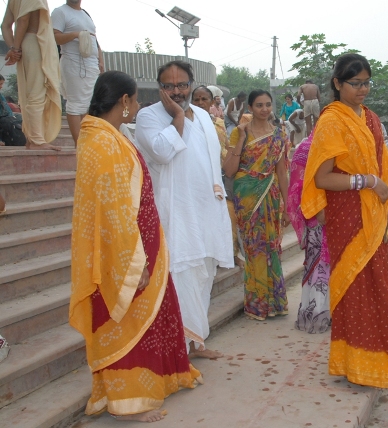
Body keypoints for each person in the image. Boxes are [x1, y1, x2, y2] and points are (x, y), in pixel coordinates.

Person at [70, 70, 202, 422]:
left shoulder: (107, 135)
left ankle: (159, 379)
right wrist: (133, 260)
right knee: (126, 321)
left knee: (151, 317)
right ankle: (128, 401)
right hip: (127, 250)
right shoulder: (101, 141)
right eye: (136, 98)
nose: (139, 104)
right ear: (124, 100)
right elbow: (113, 210)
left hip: (143, 240)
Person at [300, 53, 388, 388]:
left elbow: (383, 164)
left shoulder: (370, 118)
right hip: (348, 214)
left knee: (377, 288)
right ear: (337, 83)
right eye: (355, 83)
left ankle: (374, 362)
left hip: (374, 213)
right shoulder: (332, 121)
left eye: (366, 83)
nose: (362, 89)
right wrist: (368, 181)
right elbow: (322, 178)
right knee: (354, 288)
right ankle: (354, 364)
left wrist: (385, 206)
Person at [135, 60, 234, 358]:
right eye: (168, 86)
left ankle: (196, 342)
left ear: (191, 84)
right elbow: (162, 152)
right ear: (159, 87)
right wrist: (177, 117)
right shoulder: (148, 116)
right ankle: (178, 350)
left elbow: (212, 159)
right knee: (180, 278)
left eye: (181, 85)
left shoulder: (203, 115)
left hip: (206, 208)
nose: (176, 91)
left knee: (203, 275)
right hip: (176, 212)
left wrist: (218, 197)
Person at [223, 89, 290, 321]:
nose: (264, 109)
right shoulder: (239, 132)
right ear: (250, 108)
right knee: (253, 248)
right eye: (259, 105)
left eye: (268, 104)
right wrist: (241, 139)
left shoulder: (279, 134)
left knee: (271, 246)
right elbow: (229, 170)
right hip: (247, 195)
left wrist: (288, 205)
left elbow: (282, 172)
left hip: (270, 193)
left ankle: (275, 302)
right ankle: (258, 304)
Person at [192, 85, 243, 268]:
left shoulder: (219, 123)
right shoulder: (187, 123)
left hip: (220, 176)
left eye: (204, 99)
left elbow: (226, 147)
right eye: (196, 99)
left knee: (227, 214)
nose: (200, 103)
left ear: (211, 101)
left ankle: (230, 254)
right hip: (198, 178)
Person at [1, 0, 62, 151]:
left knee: (31, 94)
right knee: (37, 93)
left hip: (26, 44)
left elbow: (5, 25)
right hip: (35, 42)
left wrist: (14, 48)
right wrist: (15, 48)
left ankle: (32, 139)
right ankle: (37, 140)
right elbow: (23, 19)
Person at [288, 131, 331, 333]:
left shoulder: (339, 145)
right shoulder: (305, 149)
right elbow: (297, 185)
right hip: (316, 216)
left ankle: (332, 313)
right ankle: (316, 313)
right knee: (318, 266)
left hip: (338, 214)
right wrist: (317, 207)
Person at [51, 0, 104, 147]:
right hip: (73, 63)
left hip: (91, 65)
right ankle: (78, 144)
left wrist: (100, 61)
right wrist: (76, 34)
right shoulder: (60, 12)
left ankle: (87, 141)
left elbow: (94, 39)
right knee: (75, 103)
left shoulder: (85, 14)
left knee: (89, 104)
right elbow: (54, 37)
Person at [0, 74, 26, 146]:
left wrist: (12, 117)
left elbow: (7, 110)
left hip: (4, 116)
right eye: (0, 84)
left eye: (2, 84)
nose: (1, 86)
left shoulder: (1, 96)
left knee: (20, 117)